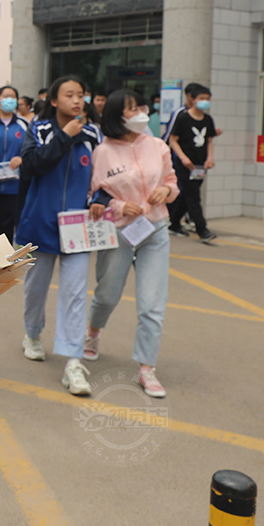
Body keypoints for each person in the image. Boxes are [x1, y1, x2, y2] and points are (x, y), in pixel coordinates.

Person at [86, 88, 178, 398]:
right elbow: (95, 195)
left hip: (155, 229)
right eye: (131, 108)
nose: (140, 111)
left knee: (152, 304)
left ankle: (146, 368)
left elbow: (170, 181)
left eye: (141, 105)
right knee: (107, 295)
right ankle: (92, 332)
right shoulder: (102, 152)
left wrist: (166, 192)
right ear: (115, 115)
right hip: (119, 232)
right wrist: (119, 206)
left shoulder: (158, 145)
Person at [15, 75, 101, 396]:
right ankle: (33, 334)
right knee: (35, 287)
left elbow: (104, 176)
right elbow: (32, 165)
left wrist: (101, 201)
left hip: (79, 227)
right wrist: (64, 137)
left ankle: (72, 362)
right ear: (54, 101)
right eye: (69, 95)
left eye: (81, 95)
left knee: (76, 293)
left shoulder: (94, 134)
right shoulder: (38, 130)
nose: (78, 100)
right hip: (39, 223)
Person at [167, 83, 218, 243]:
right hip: (185, 164)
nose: (205, 102)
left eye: (207, 99)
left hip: (200, 165)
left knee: (188, 196)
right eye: (202, 98)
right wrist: (183, 158)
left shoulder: (208, 120)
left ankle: (174, 223)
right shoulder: (183, 118)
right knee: (193, 197)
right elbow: (173, 140)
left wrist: (210, 158)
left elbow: (209, 141)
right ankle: (202, 230)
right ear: (193, 99)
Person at [0, 85, 27, 243]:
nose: (10, 100)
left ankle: (6, 262)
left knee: (7, 227)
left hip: (13, 186)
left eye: (13, 97)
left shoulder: (24, 125)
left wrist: (22, 158)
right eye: (6, 96)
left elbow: (31, 151)